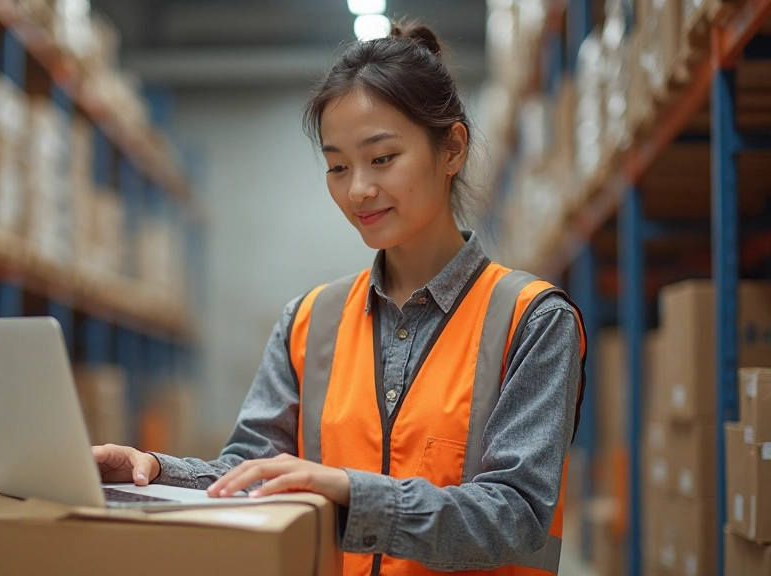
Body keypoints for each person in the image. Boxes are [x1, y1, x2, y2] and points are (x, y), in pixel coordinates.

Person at [93, 19, 586, 576]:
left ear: (452, 148)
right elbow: (251, 472)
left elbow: (516, 515)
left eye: (382, 158)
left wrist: (352, 492)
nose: (358, 190)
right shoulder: (309, 321)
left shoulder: (533, 321)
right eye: (337, 167)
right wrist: (152, 472)